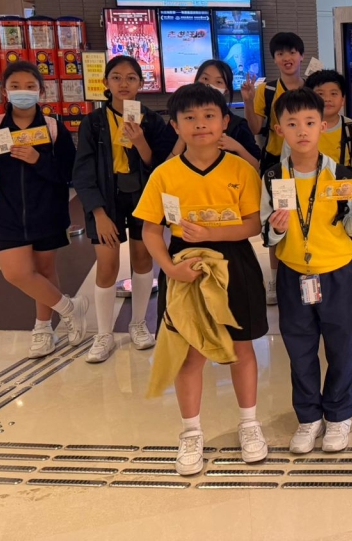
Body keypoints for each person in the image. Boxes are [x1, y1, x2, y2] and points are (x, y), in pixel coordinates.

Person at [134, 84, 268, 476]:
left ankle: (249, 423)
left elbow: (253, 224)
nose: (200, 124)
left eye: (209, 116)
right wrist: (169, 268)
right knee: (190, 353)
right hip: (184, 268)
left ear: (225, 121)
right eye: (189, 118)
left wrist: (212, 234)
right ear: (175, 126)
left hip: (234, 264)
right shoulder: (165, 175)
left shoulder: (241, 170)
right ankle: (191, 432)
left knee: (241, 347)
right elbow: (150, 230)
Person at [261, 88, 352, 454]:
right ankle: (309, 417)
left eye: (310, 122)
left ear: (322, 126)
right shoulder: (273, 177)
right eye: (292, 123)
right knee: (300, 349)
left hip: (337, 273)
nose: (302, 131)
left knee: (341, 347)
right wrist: (276, 228)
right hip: (293, 273)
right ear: (279, 129)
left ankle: (339, 416)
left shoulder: (340, 175)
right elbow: (266, 234)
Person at [0, 61, 85, 358]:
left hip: (47, 211)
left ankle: (43, 328)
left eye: (30, 86)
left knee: (44, 270)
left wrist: (38, 160)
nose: (23, 92)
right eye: (15, 86)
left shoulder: (53, 127)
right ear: (5, 91)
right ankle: (71, 308)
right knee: (16, 273)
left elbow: (69, 171)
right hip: (5, 213)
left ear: (41, 91)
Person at [73, 55, 177, 363]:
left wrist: (141, 141)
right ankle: (104, 334)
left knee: (143, 260)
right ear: (105, 82)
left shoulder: (151, 120)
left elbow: (159, 167)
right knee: (106, 265)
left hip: (142, 198)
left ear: (141, 84)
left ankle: (138, 323)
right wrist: (98, 213)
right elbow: (83, 172)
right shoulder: (93, 122)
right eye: (116, 77)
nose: (123, 83)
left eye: (131, 78)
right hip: (106, 199)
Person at [298, 68, 352, 329]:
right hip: (307, 207)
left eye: (333, 93)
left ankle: (349, 310)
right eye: (320, 94)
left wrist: (350, 197)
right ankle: (312, 310)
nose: (327, 99)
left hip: (343, 207)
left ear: (343, 99)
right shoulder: (299, 128)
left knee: (346, 260)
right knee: (308, 256)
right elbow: (287, 167)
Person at [241, 32, 305, 306]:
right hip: (277, 164)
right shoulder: (266, 91)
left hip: (307, 163)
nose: (286, 58)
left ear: (301, 55)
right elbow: (256, 128)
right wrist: (247, 101)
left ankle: (304, 271)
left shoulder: (311, 88)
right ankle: (275, 279)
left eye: (291, 52)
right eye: (280, 54)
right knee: (278, 219)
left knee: (306, 217)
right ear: (274, 59)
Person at [166, 59, 262, 170]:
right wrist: (183, 137)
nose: (209, 85)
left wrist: (237, 147)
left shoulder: (238, 126)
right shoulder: (180, 121)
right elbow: (164, 168)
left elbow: (255, 167)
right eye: (205, 79)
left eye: (218, 82)